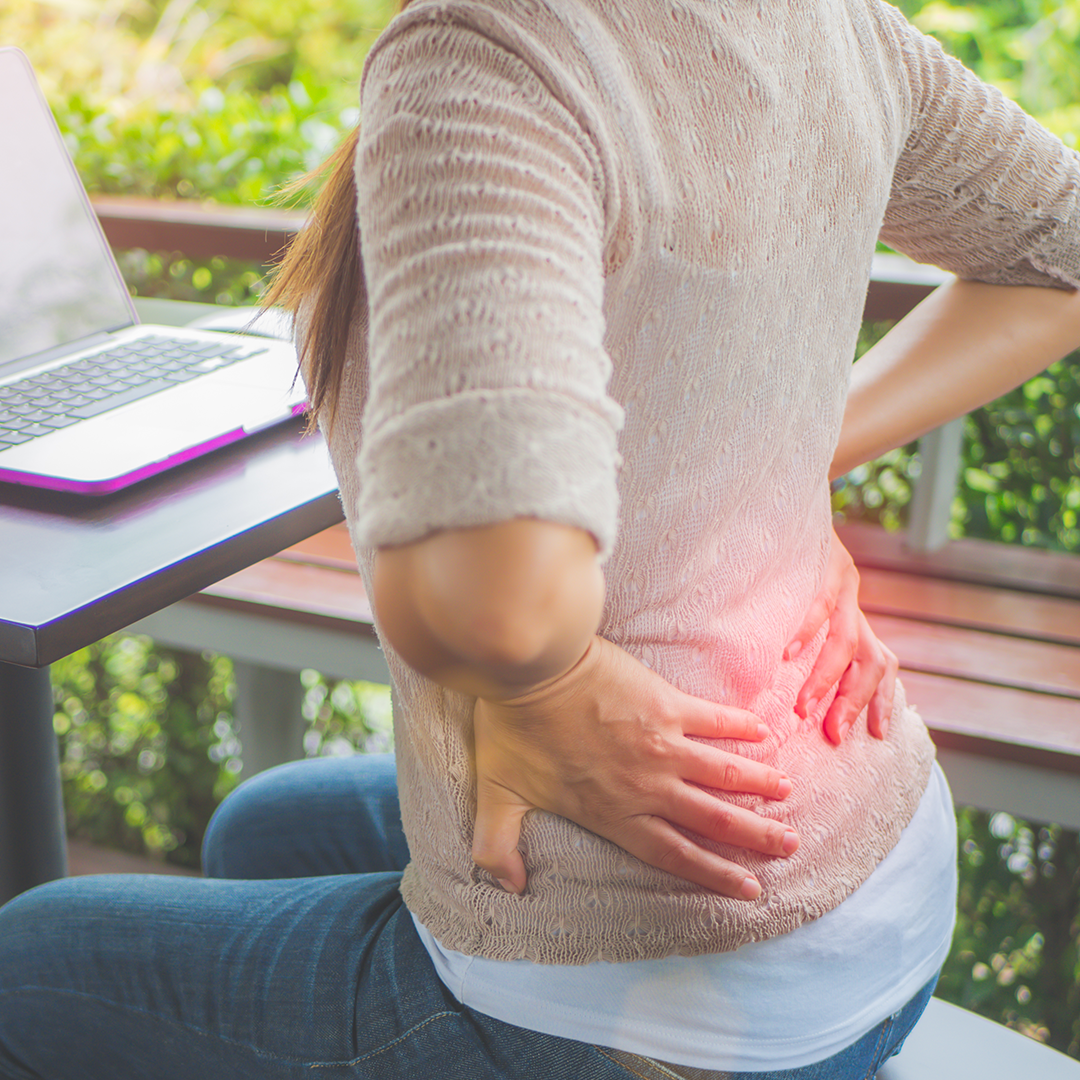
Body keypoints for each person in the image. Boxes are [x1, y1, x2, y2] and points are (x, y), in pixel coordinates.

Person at [2, 1, 1079, 1077]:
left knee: (23, 959)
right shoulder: (838, 23)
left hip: (672, 1003)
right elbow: (1060, 252)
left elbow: (496, 603)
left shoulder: (485, 55)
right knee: (262, 826)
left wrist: (544, 682)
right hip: (884, 896)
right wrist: (778, 469)